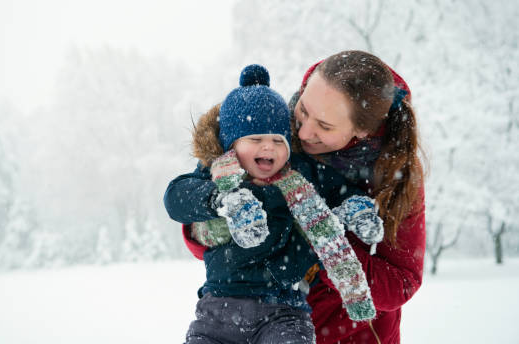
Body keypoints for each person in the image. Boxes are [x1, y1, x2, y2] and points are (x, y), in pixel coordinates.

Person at [174, 51, 426, 344]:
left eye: (325, 126)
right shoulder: (273, 130)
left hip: (348, 334)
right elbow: (197, 211)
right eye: (304, 110)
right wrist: (216, 224)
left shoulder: (394, 173)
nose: (304, 132)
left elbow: (402, 282)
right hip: (250, 323)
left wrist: (320, 240)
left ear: (362, 130)